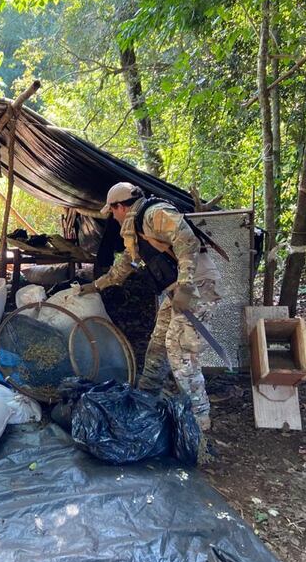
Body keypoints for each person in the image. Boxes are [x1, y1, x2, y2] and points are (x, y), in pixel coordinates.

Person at [80, 182, 221, 431]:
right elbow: (126, 263)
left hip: (197, 286)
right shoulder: (135, 225)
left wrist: (186, 285)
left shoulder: (154, 214)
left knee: (180, 351)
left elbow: (187, 240)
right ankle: (146, 398)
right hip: (175, 290)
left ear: (120, 206)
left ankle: (199, 418)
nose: (112, 216)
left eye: (112, 211)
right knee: (157, 343)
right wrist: (97, 285)